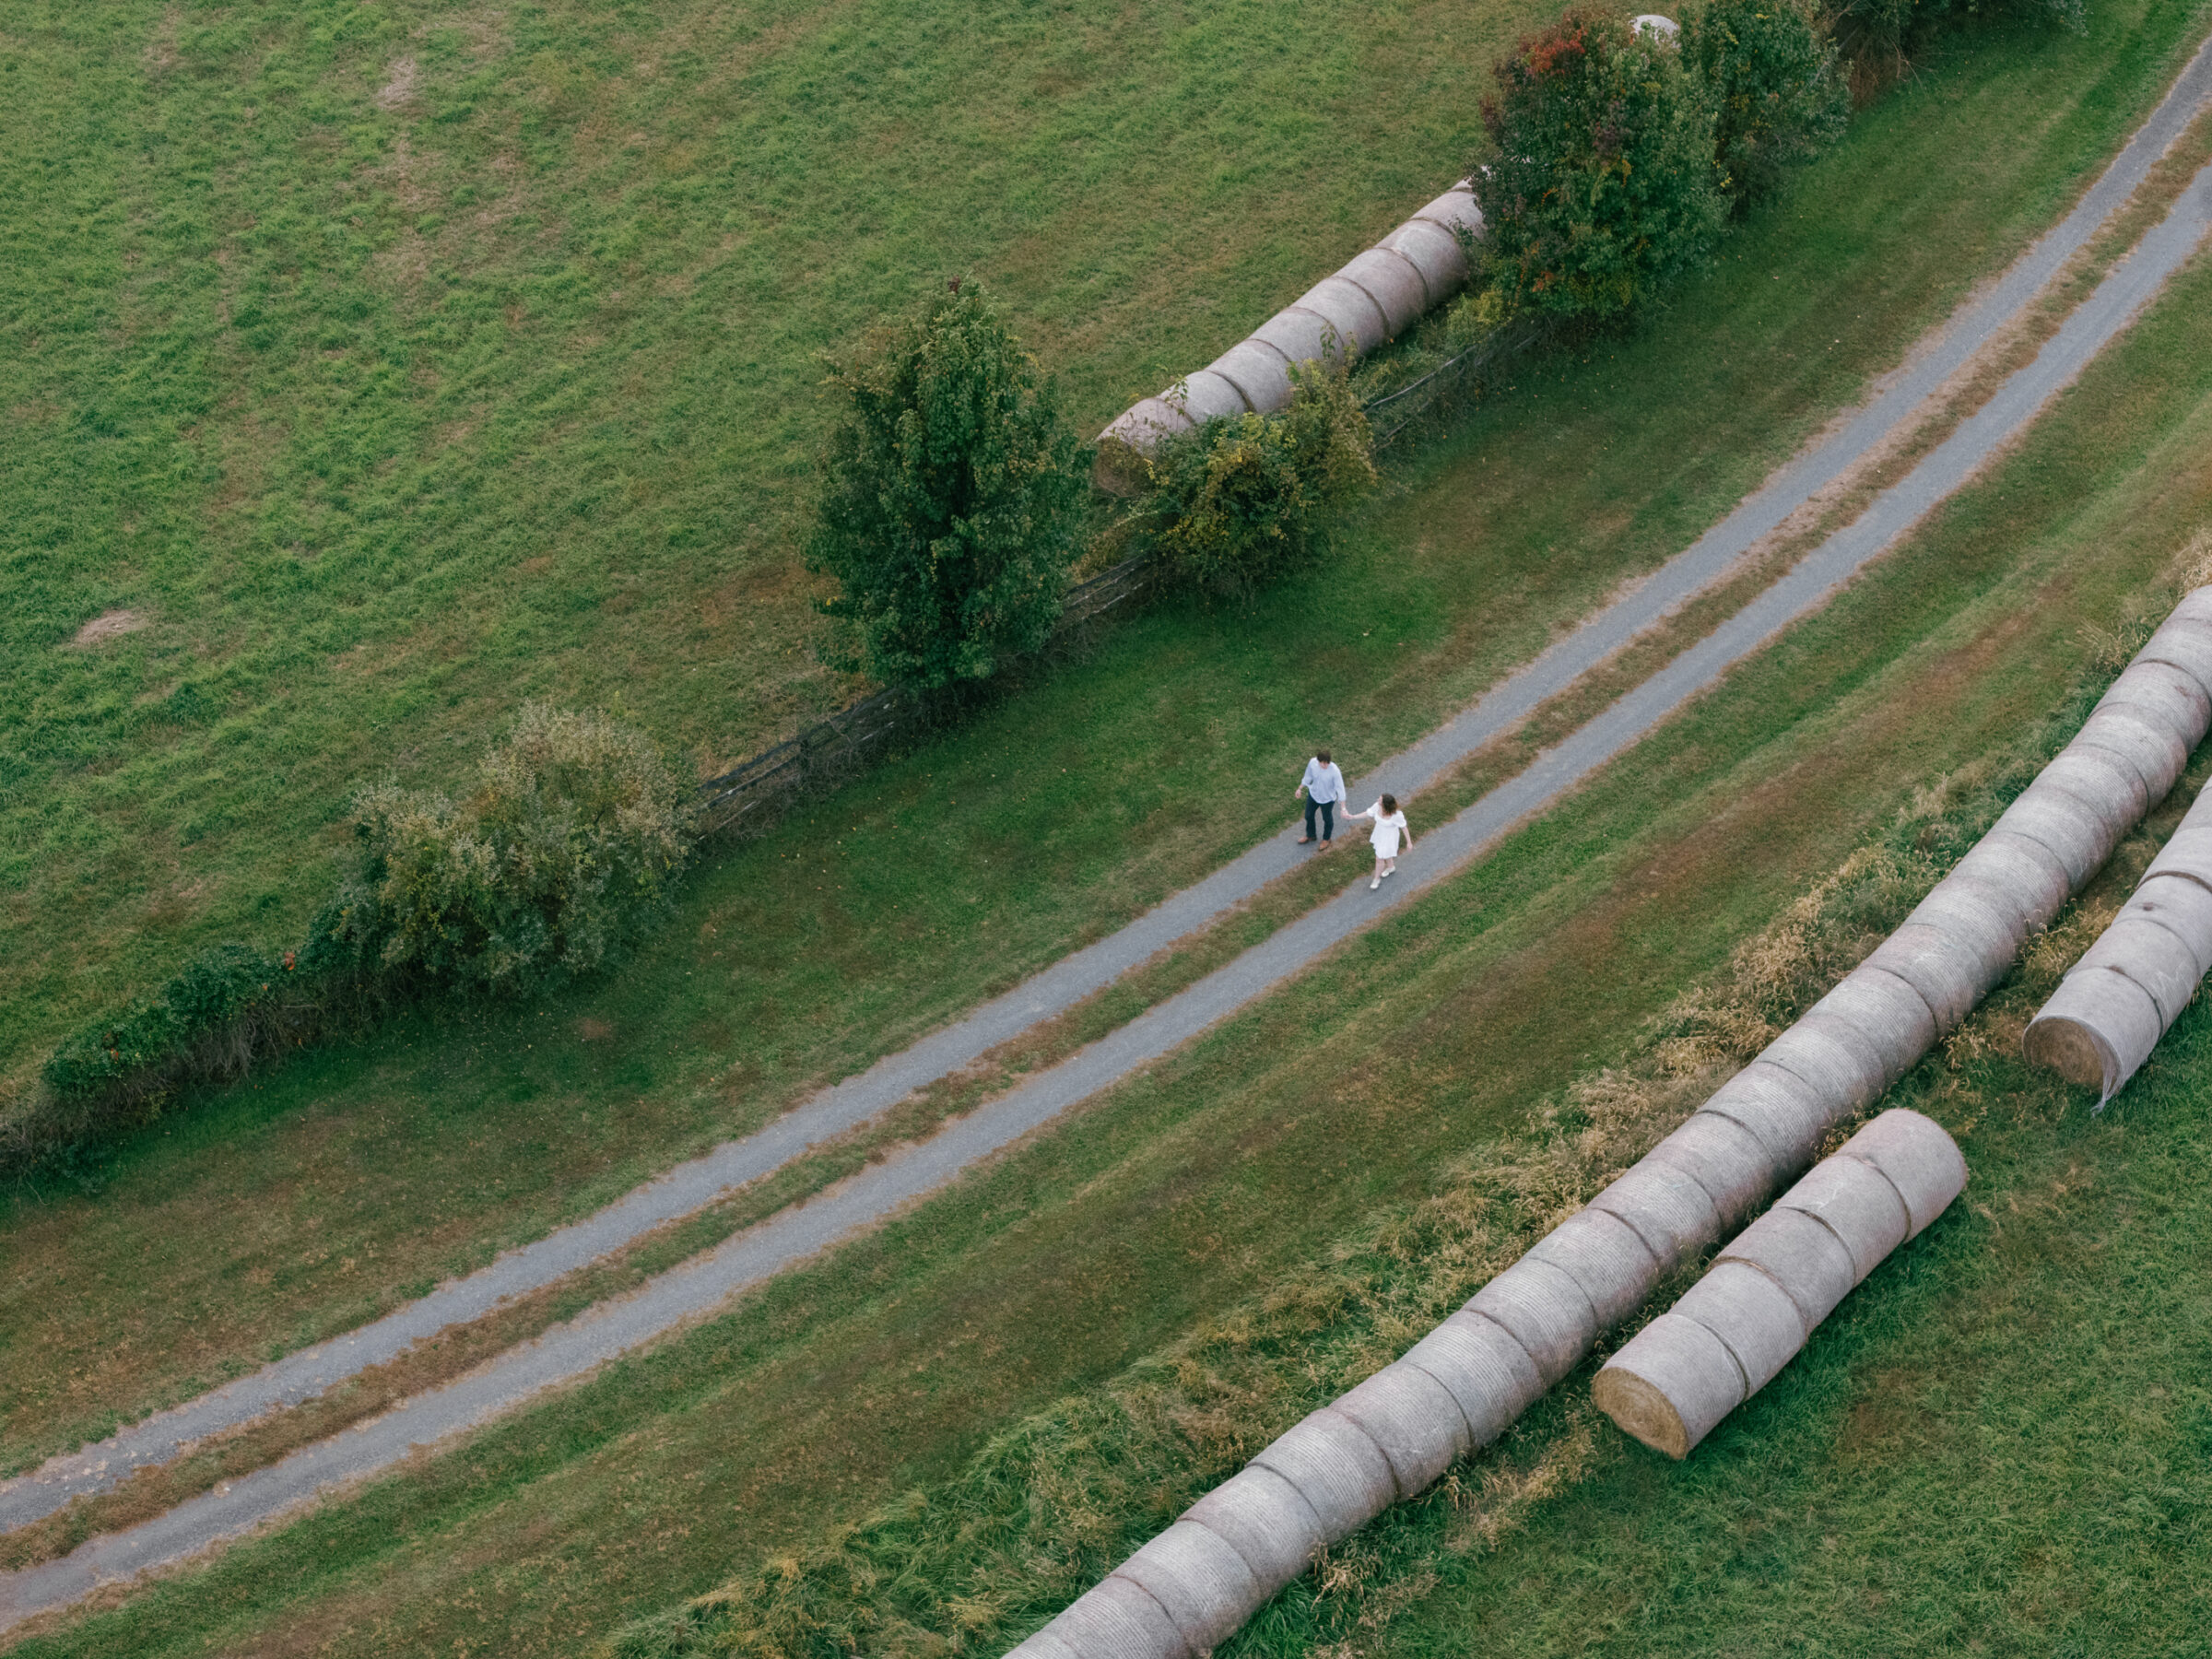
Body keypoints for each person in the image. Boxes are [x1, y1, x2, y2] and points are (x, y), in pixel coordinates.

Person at [1348, 793, 1410, 889]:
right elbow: (1368, 813)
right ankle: (1391, 867)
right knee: (1385, 854)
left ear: (1386, 805)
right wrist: (1353, 817)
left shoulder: (1397, 815)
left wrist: (1409, 842)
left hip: (1389, 837)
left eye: (1380, 800)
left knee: (1379, 858)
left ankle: (1376, 879)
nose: (1377, 801)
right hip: (1379, 833)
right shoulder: (1377, 806)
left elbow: (1404, 827)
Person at [1295, 748, 1347, 848]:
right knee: (1308, 815)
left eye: (1327, 763)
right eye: (1323, 763)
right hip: (1314, 795)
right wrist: (1300, 788)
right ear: (1318, 761)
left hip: (1327, 799)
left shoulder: (1334, 771)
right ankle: (1311, 835)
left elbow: (1340, 789)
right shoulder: (1312, 763)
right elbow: (1308, 776)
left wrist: (1343, 808)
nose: (1325, 766)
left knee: (1327, 819)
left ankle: (1326, 839)